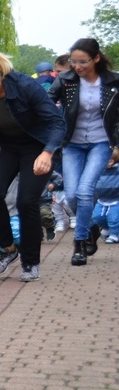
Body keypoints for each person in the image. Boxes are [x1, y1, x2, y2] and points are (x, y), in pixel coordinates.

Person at [0, 51, 65, 282]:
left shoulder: (25, 86)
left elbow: (56, 122)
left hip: (36, 145)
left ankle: (30, 262)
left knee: (26, 201)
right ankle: (7, 249)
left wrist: (48, 152)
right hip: (4, 146)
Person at [50, 38, 119, 265]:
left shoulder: (113, 81)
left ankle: (79, 243)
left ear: (96, 59)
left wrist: (117, 146)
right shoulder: (65, 80)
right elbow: (46, 103)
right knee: (71, 195)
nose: (77, 67)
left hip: (101, 143)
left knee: (85, 191)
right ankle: (91, 228)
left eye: (83, 62)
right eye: (73, 61)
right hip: (72, 144)